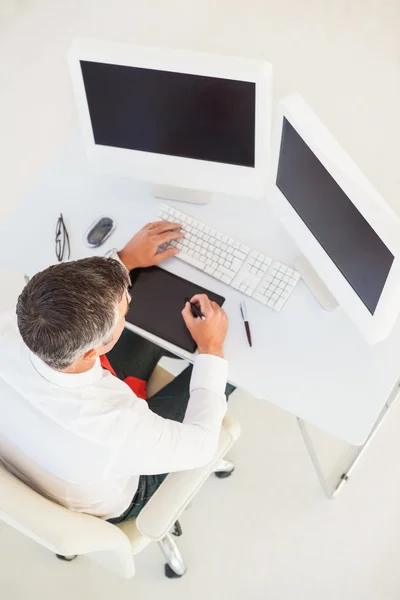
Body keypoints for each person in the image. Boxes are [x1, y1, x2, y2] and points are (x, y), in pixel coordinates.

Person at [0, 220, 233, 522]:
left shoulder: (13, 326)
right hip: (121, 493)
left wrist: (125, 260)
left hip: (42, 457)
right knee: (226, 372)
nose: (128, 304)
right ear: (90, 352)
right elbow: (202, 446)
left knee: (161, 330)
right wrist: (212, 348)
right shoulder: (120, 426)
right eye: (125, 310)